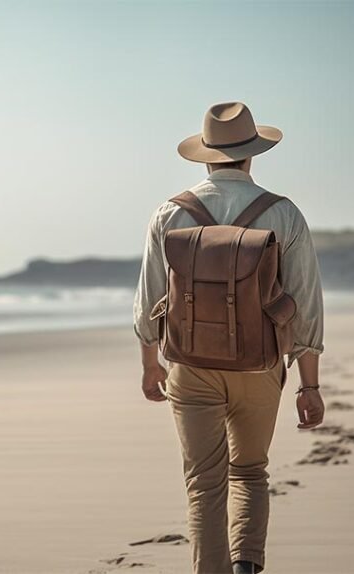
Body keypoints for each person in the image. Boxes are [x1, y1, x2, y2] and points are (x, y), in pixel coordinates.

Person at [133, 102, 326, 574]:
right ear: (251, 155)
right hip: (259, 367)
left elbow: (148, 299)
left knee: (204, 483)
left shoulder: (169, 214)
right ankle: (246, 566)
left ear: (205, 156)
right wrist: (310, 384)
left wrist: (150, 363)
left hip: (191, 366)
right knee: (250, 472)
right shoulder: (284, 214)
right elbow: (304, 305)